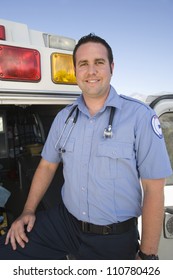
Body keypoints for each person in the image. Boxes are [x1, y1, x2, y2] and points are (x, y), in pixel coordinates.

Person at [0, 33, 172, 260]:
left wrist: (147, 255)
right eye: (83, 64)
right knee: (8, 251)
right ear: (75, 71)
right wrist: (28, 210)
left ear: (112, 67)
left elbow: (153, 189)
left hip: (114, 237)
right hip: (65, 224)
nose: (91, 71)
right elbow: (47, 166)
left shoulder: (140, 117)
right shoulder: (64, 118)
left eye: (99, 62)